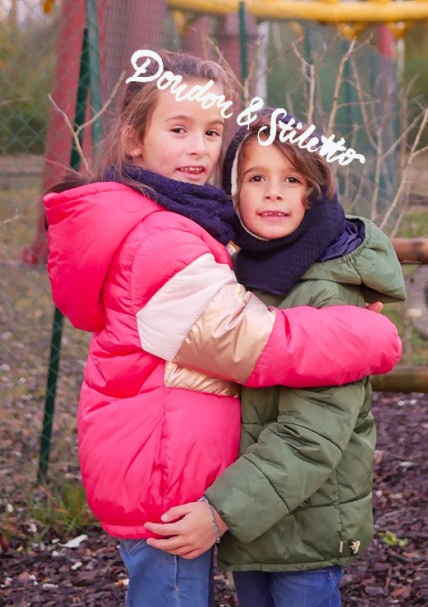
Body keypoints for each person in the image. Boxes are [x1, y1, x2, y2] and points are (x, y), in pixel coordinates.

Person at [43, 51, 402, 607]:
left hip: (167, 464)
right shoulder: (162, 237)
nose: (198, 147)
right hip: (163, 472)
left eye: (212, 131)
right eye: (179, 128)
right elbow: (253, 344)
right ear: (135, 138)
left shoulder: (180, 222)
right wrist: (367, 335)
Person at [147, 111, 406, 607]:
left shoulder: (327, 293)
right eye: (256, 178)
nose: (273, 192)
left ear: (315, 192)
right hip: (260, 524)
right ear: (234, 192)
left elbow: (311, 437)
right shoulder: (244, 275)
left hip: (304, 528)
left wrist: (220, 512)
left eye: (291, 179)